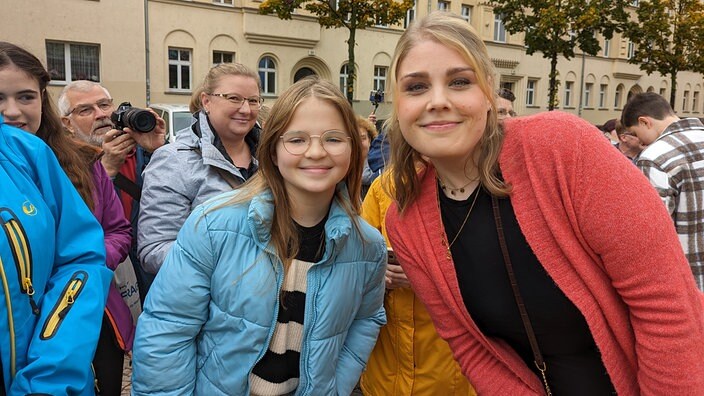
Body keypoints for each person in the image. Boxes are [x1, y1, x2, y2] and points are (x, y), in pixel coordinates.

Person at [383, 12, 704, 395]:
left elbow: (666, 304)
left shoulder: (561, 149)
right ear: (397, 104)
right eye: (416, 87)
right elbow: (469, 347)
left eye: (459, 82)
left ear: (488, 93)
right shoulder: (407, 223)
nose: (437, 101)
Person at [131, 77, 386, 395]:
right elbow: (168, 331)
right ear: (274, 151)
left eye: (334, 139)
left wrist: (335, 386)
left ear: (354, 149)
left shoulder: (368, 246)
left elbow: (367, 319)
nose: (317, 152)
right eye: (297, 140)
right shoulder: (213, 226)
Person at [0, 41, 133, 395]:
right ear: (66, 118)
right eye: (0, 98)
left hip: (87, 309)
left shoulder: (83, 161)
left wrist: (87, 266)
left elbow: (118, 229)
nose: (12, 111)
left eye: (26, 97)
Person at [0, 107, 111, 394]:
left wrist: (50, 379)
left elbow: (81, 254)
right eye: (87, 108)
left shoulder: (24, 151)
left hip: (45, 374)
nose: (12, 109)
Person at [137, 63, 262, 274]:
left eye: (253, 100)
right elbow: (154, 251)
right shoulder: (174, 161)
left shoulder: (274, 155)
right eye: (234, 98)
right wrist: (235, 261)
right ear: (206, 101)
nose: (246, 109)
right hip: (207, 299)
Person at [360, 173, 475, 396]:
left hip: (451, 378)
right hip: (384, 377)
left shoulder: (477, 186)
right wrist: (375, 277)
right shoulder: (382, 187)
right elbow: (355, 267)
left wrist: (426, 279)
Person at [58, 80, 166, 300]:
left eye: (104, 105)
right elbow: (74, 227)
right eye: (86, 110)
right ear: (67, 123)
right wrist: (106, 170)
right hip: (106, 277)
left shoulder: (142, 151)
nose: (100, 114)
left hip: (155, 271)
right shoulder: (60, 166)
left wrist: (159, 152)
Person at [622, 92, 704, 290]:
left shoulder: (655, 158)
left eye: (636, 133)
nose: (641, 142)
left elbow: (652, 234)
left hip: (689, 285)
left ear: (645, 122)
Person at [357, 114, 378, 198]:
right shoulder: (342, 171)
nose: (359, 143)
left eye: (363, 138)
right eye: (355, 138)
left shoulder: (380, 166)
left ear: (370, 140)